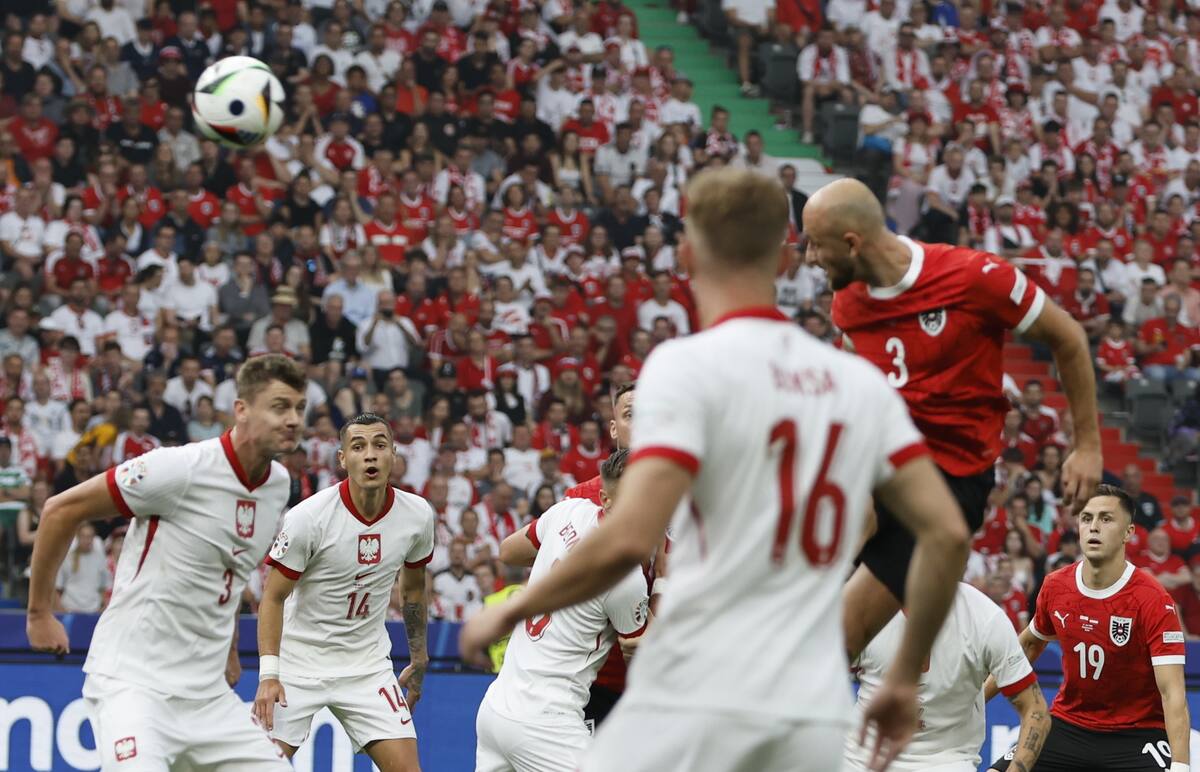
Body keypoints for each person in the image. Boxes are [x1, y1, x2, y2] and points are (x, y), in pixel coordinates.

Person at [460, 168, 970, 772]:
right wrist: (905, 677)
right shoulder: (857, 383)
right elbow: (947, 534)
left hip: (705, 688)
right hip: (811, 700)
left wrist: (508, 611)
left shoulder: (688, 368)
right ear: (786, 260)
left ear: (686, 251)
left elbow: (626, 538)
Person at [804, 177, 1103, 663]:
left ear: (851, 244)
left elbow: (1067, 336)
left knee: (839, 641)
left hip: (951, 480)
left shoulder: (974, 277)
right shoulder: (849, 301)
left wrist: (1086, 445)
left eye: (816, 245)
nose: (811, 258)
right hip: (884, 464)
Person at [25, 354, 307, 771]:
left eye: (300, 408)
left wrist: (229, 649)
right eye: (280, 406)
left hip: (208, 698)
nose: (294, 419)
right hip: (135, 685)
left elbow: (230, 565)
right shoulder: (178, 469)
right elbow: (59, 510)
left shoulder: (278, 485)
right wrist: (39, 612)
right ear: (242, 410)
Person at [253, 412, 434, 770]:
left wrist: (419, 656)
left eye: (380, 445)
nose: (370, 455)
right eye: (358, 446)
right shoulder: (309, 517)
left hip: (366, 667)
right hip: (298, 664)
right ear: (342, 458)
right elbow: (272, 598)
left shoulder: (417, 516)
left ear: (394, 454)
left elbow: (412, 591)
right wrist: (269, 675)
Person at [987, 485, 1189, 772]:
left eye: (1106, 519)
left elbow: (1172, 693)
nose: (1093, 527)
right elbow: (1029, 645)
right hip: (1067, 727)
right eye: (1086, 518)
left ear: (1128, 532)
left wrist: (1181, 767)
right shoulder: (1056, 585)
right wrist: (975, 700)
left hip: (1137, 734)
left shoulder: (1153, 600)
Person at [476, 449, 650, 771]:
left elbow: (508, 551)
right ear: (606, 501)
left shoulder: (568, 510)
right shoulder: (625, 576)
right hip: (547, 722)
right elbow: (638, 649)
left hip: (496, 707)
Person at [844, 582, 1050, 772]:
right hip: (861, 759)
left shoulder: (986, 619)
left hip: (948, 762)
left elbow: (1036, 710)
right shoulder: (865, 608)